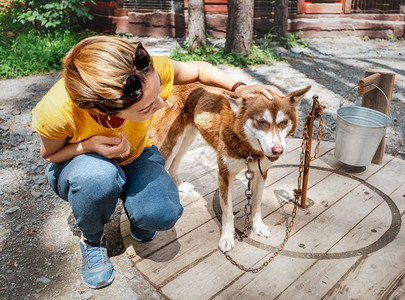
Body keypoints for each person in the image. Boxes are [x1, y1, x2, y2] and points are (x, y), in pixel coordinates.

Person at [32, 35, 284, 289]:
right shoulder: (57, 110)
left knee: (162, 214)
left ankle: (138, 213)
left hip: (136, 154)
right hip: (84, 163)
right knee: (97, 178)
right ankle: (93, 240)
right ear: (102, 110)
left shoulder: (141, 72)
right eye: (147, 107)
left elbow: (198, 69)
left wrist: (238, 87)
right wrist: (88, 146)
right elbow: (50, 155)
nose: (163, 104)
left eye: (157, 94)